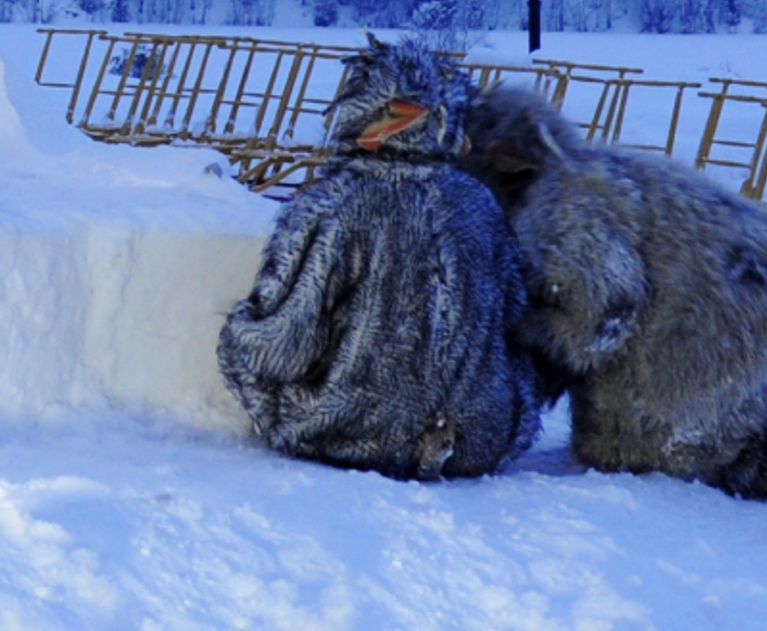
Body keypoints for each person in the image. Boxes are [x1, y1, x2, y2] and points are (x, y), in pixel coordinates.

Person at [217, 36, 547, 480]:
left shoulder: (332, 205)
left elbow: (282, 347)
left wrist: (237, 340)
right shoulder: (478, 205)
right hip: (478, 442)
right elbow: (517, 321)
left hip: (346, 436)